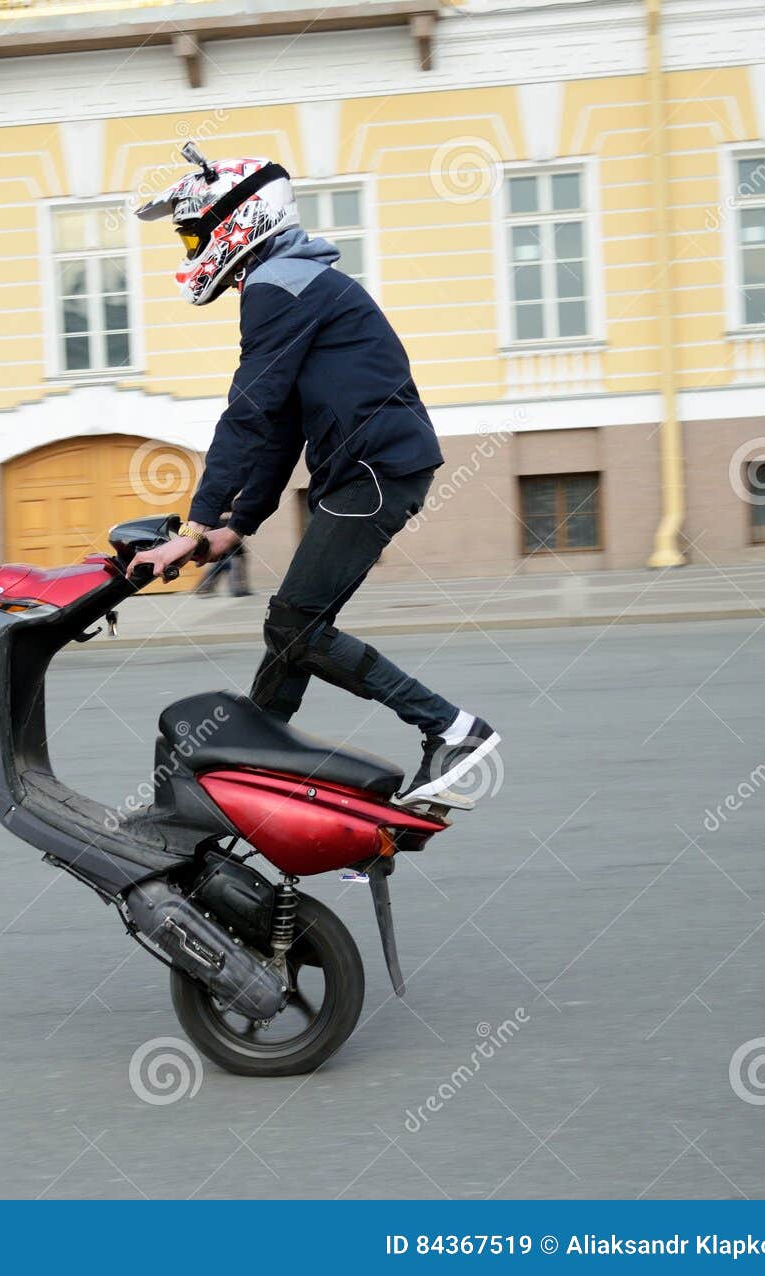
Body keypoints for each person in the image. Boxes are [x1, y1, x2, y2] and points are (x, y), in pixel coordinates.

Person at [130, 145, 498, 804]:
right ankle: (259, 755)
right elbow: (278, 428)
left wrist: (193, 525)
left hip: (376, 472)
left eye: (193, 233)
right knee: (291, 624)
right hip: (373, 470)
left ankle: (451, 728)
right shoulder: (291, 281)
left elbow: (247, 413)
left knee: (296, 622)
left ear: (236, 219)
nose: (190, 249)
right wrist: (233, 525)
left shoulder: (279, 286)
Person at [193, 511, 249, 598]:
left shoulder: (217, 519)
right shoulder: (227, 520)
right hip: (229, 546)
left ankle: (204, 587)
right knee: (233, 564)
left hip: (223, 548)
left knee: (222, 565)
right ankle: (237, 588)